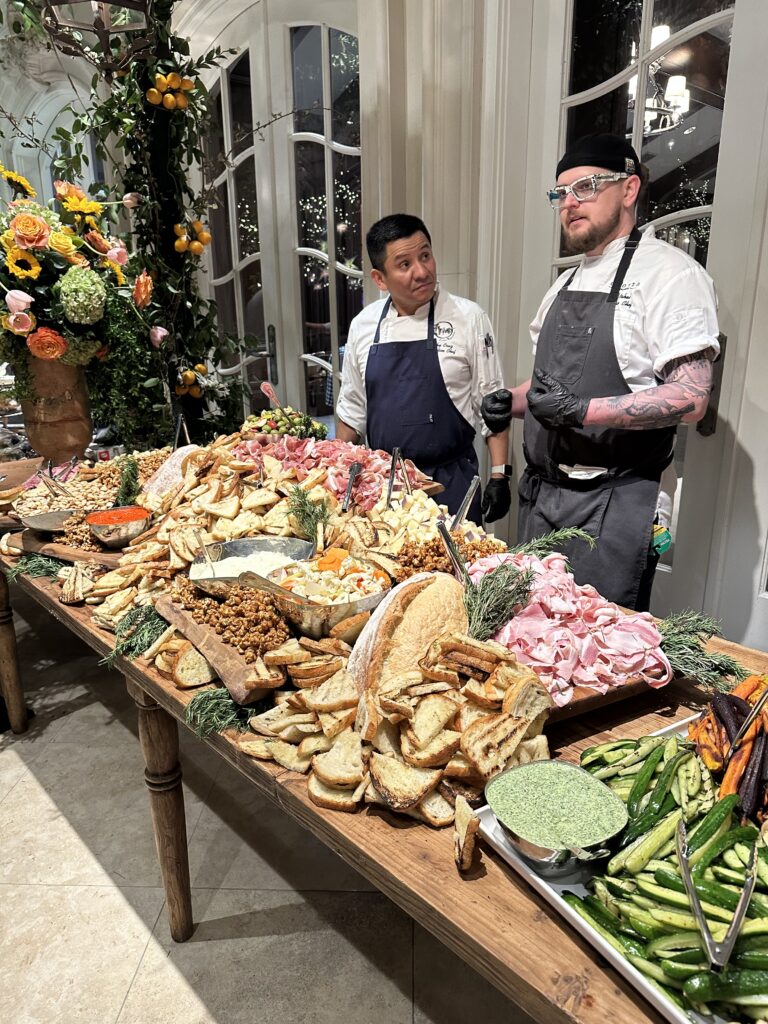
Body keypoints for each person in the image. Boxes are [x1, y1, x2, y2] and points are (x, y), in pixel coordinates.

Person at [481, 134, 719, 610]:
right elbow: (550, 390)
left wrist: (582, 410)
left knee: (600, 643)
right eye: (561, 193)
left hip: (616, 503)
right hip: (545, 497)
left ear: (629, 189)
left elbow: (691, 398)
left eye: (586, 187)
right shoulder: (565, 283)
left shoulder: (671, 275)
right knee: (533, 631)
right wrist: (512, 400)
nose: (569, 203)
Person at [336, 213, 511, 523]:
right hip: (385, 491)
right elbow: (352, 410)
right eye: (404, 264)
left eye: (425, 256)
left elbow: (492, 404)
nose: (422, 271)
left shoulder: (469, 318)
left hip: (452, 485)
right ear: (380, 279)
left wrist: (500, 476)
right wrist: (338, 479)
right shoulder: (363, 325)